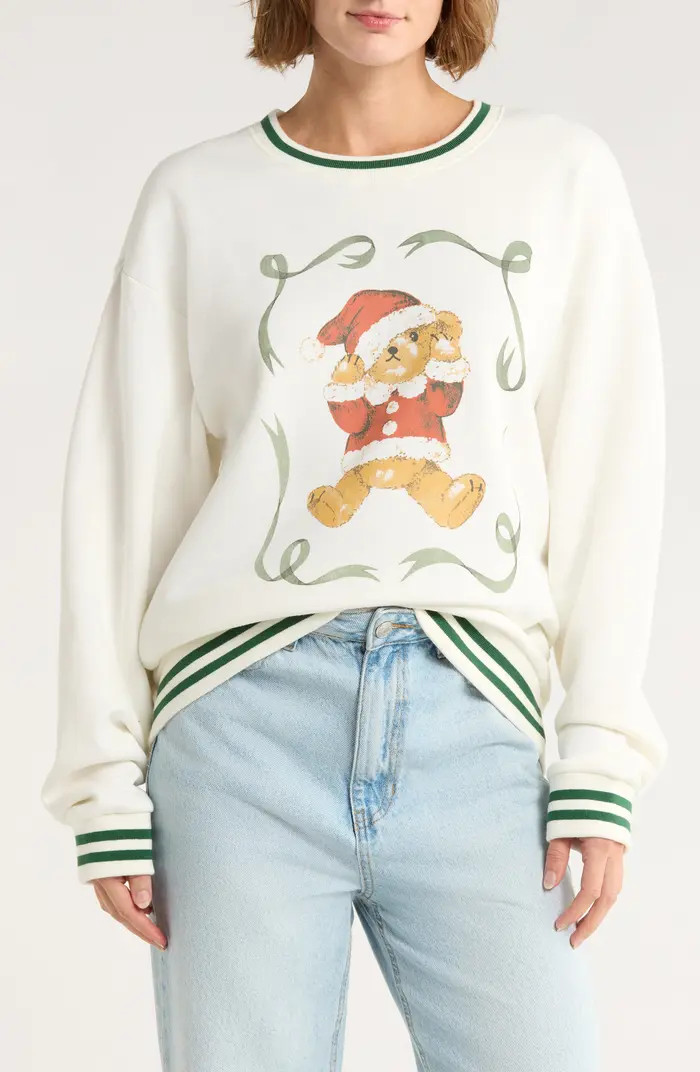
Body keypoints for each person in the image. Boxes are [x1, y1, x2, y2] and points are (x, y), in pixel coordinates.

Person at [41, 1, 667, 1068]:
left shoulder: (557, 175)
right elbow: (121, 494)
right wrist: (103, 781)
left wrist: (599, 755)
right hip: (237, 736)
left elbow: (610, 466)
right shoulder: (197, 197)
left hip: (477, 720)